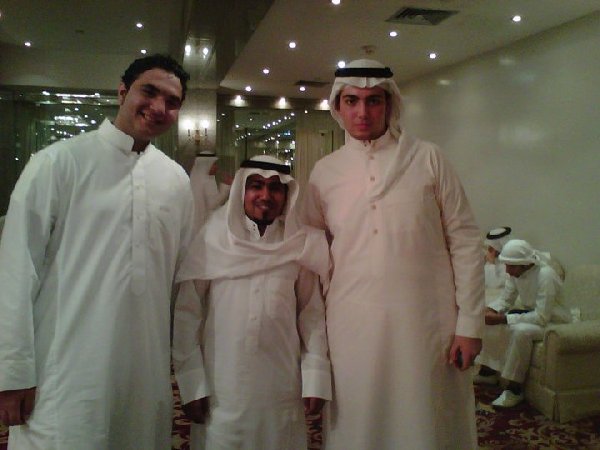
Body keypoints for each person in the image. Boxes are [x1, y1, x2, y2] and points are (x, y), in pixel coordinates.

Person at [0, 54, 195, 449]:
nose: (159, 107)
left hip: (144, 375)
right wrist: (12, 372)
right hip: (63, 372)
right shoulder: (57, 162)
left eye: (172, 101)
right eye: (149, 92)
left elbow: (182, 283)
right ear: (122, 92)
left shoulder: (175, 180)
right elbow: (16, 271)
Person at [301, 58, 485, 449]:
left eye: (373, 100)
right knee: (360, 419)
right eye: (351, 101)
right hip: (352, 324)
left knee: (426, 418)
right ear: (337, 107)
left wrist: (470, 323)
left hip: (426, 323)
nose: (362, 112)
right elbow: (313, 256)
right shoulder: (324, 172)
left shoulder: (428, 158)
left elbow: (466, 239)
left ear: (390, 104)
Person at [173, 155, 332, 450]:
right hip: (222, 389)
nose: (265, 196)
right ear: (241, 191)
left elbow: (311, 315)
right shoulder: (212, 238)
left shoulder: (299, 245)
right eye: (256, 186)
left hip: (280, 388)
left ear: (286, 194)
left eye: (275, 188)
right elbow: (187, 315)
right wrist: (191, 382)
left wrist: (316, 375)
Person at [475, 239, 571, 408]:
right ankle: (488, 372)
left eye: (510, 267)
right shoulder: (516, 273)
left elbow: (542, 317)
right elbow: (506, 299)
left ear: (524, 263)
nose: (507, 270)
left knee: (521, 331)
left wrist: (503, 318)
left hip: (556, 323)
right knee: (490, 321)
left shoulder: (546, 275)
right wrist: (490, 310)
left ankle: (514, 389)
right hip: (534, 316)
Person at [189, 150, 231, 227]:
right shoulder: (205, 180)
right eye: (214, 164)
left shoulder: (196, 177)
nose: (216, 167)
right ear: (206, 164)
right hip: (204, 224)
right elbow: (212, 204)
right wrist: (226, 186)